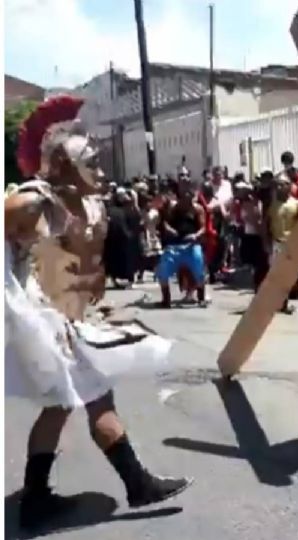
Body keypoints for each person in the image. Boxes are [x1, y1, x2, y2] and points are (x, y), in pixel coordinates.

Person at [5, 95, 190, 530]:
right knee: (95, 399)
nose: (104, 172)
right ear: (65, 167)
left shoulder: (90, 205)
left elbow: (85, 267)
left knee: (60, 407)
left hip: (72, 323)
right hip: (48, 325)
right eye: (93, 162)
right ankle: (138, 484)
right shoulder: (33, 202)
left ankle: (35, 498)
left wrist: (97, 306)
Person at [156, 180, 208, 308]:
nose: (188, 198)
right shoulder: (173, 208)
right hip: (174, 245)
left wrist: (196, 235)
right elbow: (164, 223)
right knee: (163, 270)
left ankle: (201, 297)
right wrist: (169, 229)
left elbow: (203, 227)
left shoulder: (197, 209)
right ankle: (166, 299)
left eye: (190, 195)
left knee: (199, 267)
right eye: (185, 195)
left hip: (191, 245)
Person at [266, 174, 298, 314]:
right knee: (275, 276)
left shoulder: (296, 204)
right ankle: (277, 302)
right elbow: (266, 224)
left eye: (283, 184)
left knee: (287, 276)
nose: (279, 187)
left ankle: (284, 302)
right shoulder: (272, 204)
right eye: (277, 184)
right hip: (276, 243)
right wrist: (266, 243)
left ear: (289, 186)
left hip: (291, 244)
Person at [104, 188, 143, 289]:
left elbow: (137, 222)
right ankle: (118, 278)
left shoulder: (130, 209)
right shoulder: (114, 210)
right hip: (120, 238)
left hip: (126, 238)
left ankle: (126, 279)